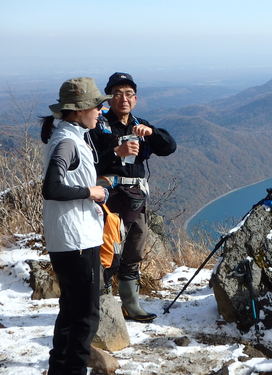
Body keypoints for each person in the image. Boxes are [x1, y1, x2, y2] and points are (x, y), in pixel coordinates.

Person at [89, 72, 176, 323]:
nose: (123, 99)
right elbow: (90, 161)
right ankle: (103, 307)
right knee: (108, 253)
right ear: (108, 98)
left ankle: (131, 305)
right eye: (117, 94)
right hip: (108, 199)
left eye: (128, 94)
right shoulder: (98, 125)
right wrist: (117, 152)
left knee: (133, 250)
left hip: (135, 199)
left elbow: (169, 147)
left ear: (135, 99)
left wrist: (152, 133)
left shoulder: (140, 124)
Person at [41, 77, 110, 375]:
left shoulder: (67, 137)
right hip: (76, 240)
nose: (100, 111)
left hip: (68, 237)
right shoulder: (67, 142)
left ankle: (60, 369)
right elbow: (52, 188)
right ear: (79, 110)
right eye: (97, 106)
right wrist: (90, 192)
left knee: (71, 311)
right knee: (85, 316)